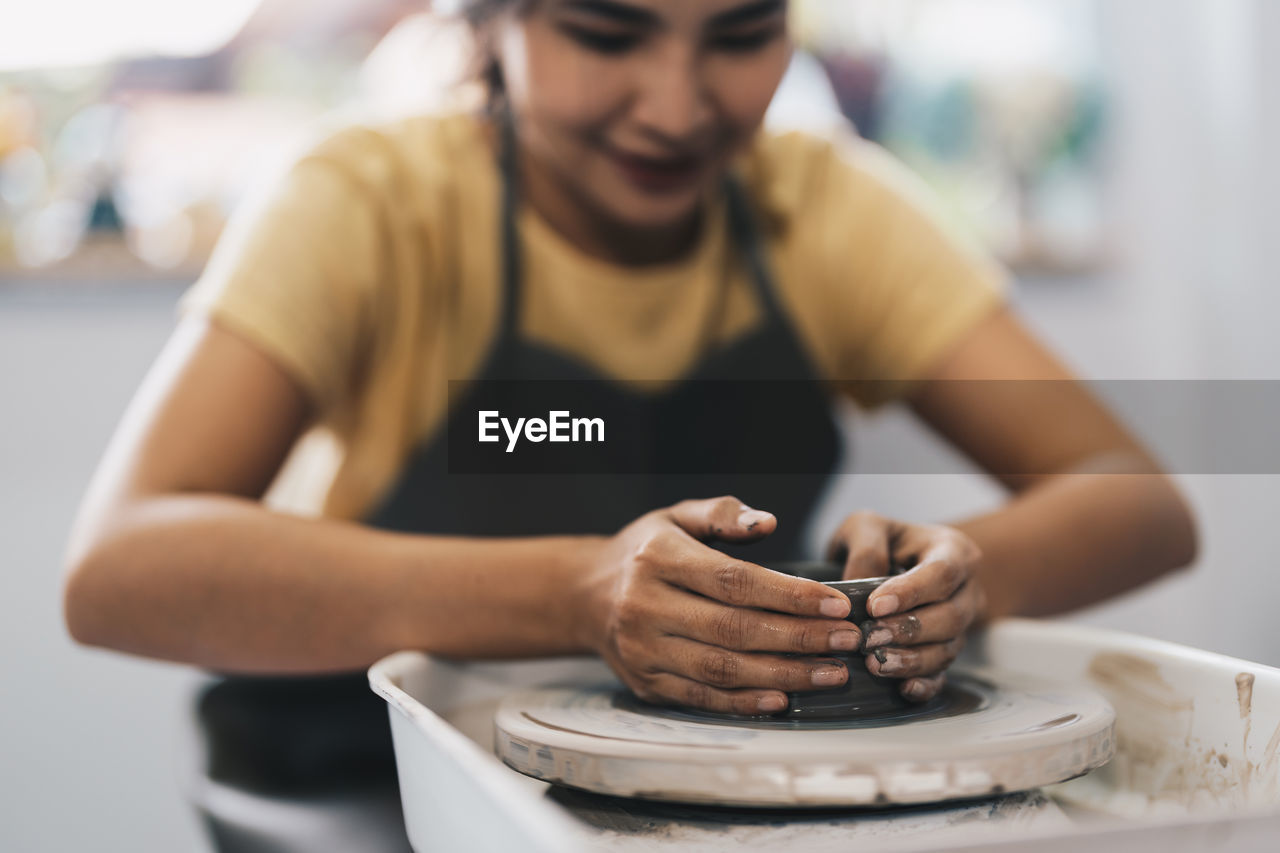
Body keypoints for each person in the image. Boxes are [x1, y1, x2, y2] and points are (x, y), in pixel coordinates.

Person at [62, 1, 1197, 850]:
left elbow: (1133, 494)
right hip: (372, 765)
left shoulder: (821, 208)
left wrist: (962, 578)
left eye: (741, 35)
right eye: (606, 34)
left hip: (719, 780)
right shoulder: (369, 202)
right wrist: (571, 592)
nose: (676, 105)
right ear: (494, 21)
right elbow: (120, 566)